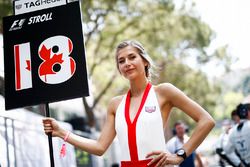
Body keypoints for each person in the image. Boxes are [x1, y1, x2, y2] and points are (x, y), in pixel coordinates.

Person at [43, 40, 215, 167]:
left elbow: (206, 121)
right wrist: (62, 133)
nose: (127, 63)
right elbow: (100, 147)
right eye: (121, 60)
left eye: (132, 57)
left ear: (145, 61)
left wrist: (179, 155)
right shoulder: (115, 104)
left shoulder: (163, 92)